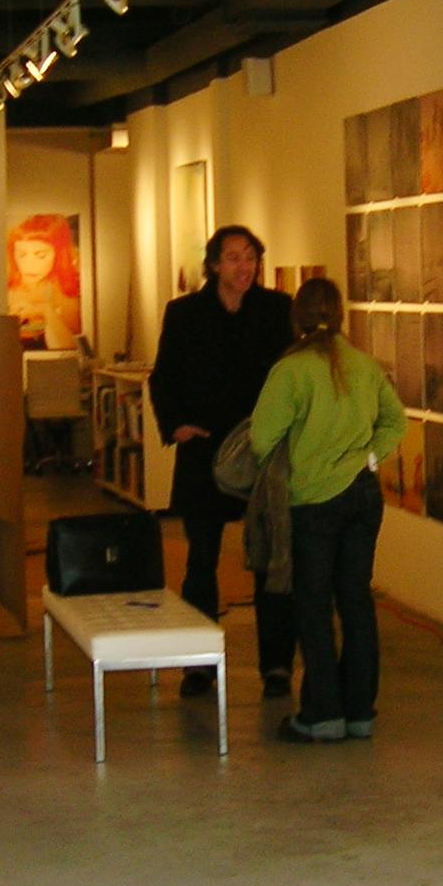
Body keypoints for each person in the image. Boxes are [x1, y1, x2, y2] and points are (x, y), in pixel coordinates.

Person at [248, 277, 407, 743]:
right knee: (356, 601)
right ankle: (361, 712)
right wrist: (369, 457)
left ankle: (322, 712)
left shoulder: (291, 371)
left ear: (296, 317)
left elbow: (261, 440)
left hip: (313, 501)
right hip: (362, 495)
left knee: (313, 606)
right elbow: (395, 421)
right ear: (341, 315)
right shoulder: (362, 364)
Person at [149, 225, 298, 697]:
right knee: (201, 561)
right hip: (205, 449)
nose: (244, 266)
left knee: (269, 559)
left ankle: (276, 665)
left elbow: (292, 374)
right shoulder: (185, 313)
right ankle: (198, 664)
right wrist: (176, 424)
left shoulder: (276, 309)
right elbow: (164, 375)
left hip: (262, 452)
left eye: (251, 256)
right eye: (233, 257)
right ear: (213, 265)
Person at [5, 214, 83, 351]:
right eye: (22, 254)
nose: (29, 265)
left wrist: (46, 310)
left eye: (40, 255)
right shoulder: (4, 286)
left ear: (58, 254)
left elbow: (68, 350)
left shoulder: (64, 289)